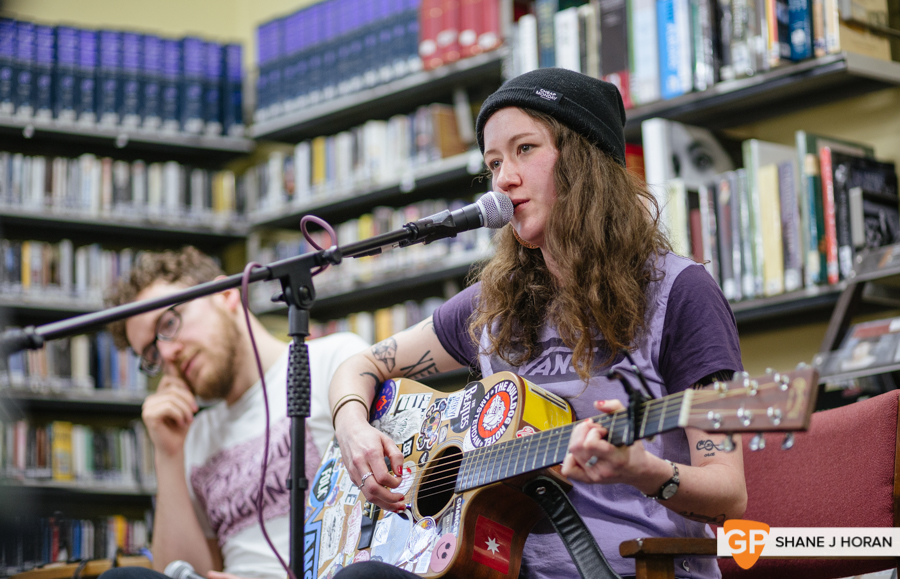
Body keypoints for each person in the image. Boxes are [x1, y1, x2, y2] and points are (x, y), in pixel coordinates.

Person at [328, 68, 746, 579]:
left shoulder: (679, 292)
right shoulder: (493, 304)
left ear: (584, 158)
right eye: (494, 161)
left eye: (524, 149)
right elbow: (361, 364)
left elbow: (729, 494)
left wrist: (645, 471)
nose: (503, 178)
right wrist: (352, 428)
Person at [101, 246, 369, 579]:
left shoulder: (336, 360)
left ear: (226, 295)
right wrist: (168, 455)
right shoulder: (195, 435)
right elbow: (181, 572)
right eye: (152, 352)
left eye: (169, 322)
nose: (168, 354)